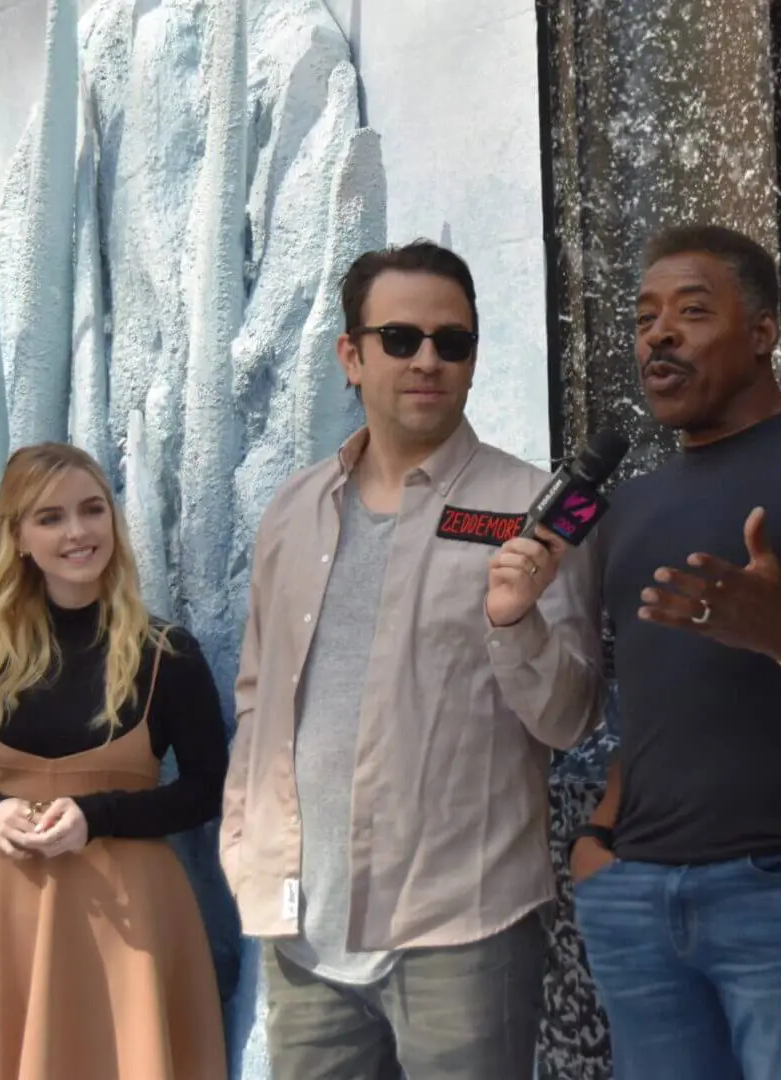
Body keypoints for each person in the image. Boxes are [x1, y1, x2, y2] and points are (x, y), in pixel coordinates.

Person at [223, 240, 603, 1080]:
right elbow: (259, 697)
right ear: (350, 357)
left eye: (452, 341)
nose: (427, 359)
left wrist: (517, 624)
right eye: (400, 339)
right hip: (306, 932)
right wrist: (248, 842)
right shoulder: (293, 510)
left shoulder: (531, 512)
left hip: (461, 929)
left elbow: (572, 716)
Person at [565, 224, 781, 1080]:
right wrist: (599, 839)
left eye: (691, 311)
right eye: (645, 318)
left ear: (763, 333)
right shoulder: (627, 507)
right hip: (637, 899)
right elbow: (651, 704)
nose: (659, 334)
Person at [0, 442, 229, 1080]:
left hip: (129, 918)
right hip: (6, 909)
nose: (78, 531)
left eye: (92, 509)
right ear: (19, 537)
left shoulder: (167, 653)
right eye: (50, 517)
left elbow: (207, 789)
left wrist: (95, 816)